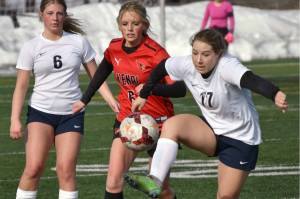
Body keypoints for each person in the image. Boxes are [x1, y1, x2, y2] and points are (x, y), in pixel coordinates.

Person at [125, 29, 288, 199]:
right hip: (212, 129)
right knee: (172, 125)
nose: (198, 59)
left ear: (218, 53)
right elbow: (161, 68)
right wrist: (144, 94)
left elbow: (251, 79)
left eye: (206, 54)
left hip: (240, 139)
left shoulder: (227, 66)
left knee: (225, 196)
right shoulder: (188, 64)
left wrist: (274, 93)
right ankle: (155, 180)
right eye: (195, 53)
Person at [72, 1, 186, 198]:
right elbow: (100, 74)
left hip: (160, 125)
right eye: (125, 24)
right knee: (113, 181)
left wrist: (151, 89)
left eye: (135, 23)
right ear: (119, 25)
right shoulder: (115, 48)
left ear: (145, 25)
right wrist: (84, 100)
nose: (130, 28)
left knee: (160, 190)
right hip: (128, 121)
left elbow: (180, 88)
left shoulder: (156, 53)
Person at [9, 0, 118, 198]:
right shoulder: (31, 46)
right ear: (41, 15)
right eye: (50, 13)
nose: (55, 18)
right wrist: (14, 119)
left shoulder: (79, 42)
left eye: (59, 13)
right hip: (40, 113)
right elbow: (21, 86)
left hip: (71, 114)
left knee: (66, 171)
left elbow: (97, 77)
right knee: (33, 168)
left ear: (65, 15)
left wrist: (112, 101)